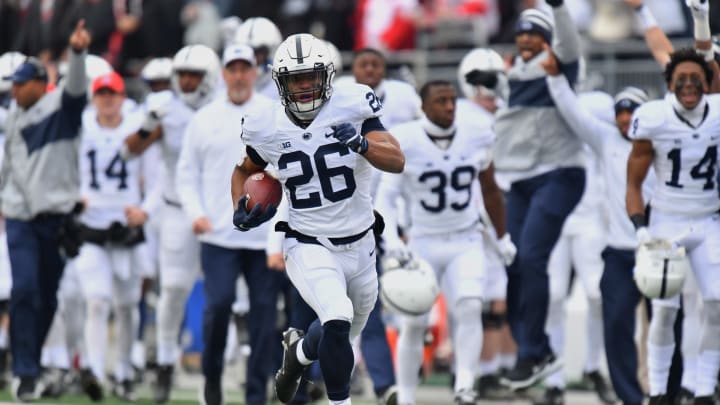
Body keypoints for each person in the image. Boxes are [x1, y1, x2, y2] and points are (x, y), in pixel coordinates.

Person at [233, 33, 404, 405]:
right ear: (281, 82)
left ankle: (298, 354)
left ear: (326, 75)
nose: (305, 85)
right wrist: (240, 207)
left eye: (310, 76)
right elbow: (243, 171)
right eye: (295, 79)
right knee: (337, 316)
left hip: (361, 244)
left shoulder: (352, 103)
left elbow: (397, 159)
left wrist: (362, 144)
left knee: (343, 329)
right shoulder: (266, 123)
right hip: (306, 241)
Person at [375, 79, 515, 405]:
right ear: (423, 106)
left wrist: (502, 235)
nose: (450, 107)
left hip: (465, 238)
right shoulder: (406, 139)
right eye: (440, 101)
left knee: (469, 306)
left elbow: (490, 189)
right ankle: (407, 396)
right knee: (414, 322)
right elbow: (385, 197)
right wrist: (393, 238)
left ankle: (465, 385)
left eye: (452, 100)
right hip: (422, 241)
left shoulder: (476, 133)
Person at [540, 44, 653, 405]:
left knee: (595, 296)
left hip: (590, 219)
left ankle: (592, 366)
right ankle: (555, 380)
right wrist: (554, 78)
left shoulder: (605, 121)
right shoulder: (555, 115)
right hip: (558, 218)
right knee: (554, 296)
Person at [175, 43, 285, 405]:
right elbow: (186, 174)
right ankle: (212, 380)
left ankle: (256, 394)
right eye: (232, 69)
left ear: (255, 72)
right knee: (218, 307)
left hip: (262, 236)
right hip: (219, 234)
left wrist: (276, 238)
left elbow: (284, 175)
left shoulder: (272, 113)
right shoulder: (204, 118)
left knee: (264, 317)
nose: (239, 76)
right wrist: (196, 214)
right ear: (223, 74)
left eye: (245, 68)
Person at [492, 0, 584, 389]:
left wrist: (559, 9)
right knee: (512, 261)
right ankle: (536, 348)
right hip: (522, 179)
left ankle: (531, 351)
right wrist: (491, 81)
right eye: (522, 31)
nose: (527, 37)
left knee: (531, 257)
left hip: (559, 174)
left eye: (535, 32)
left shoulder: (557, 62)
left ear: (547, 39)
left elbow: (569, 43)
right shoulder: (516, 72)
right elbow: (516, 114)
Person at [121, 44, 221, 404]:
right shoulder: (166, 108)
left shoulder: (224, 107)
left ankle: (221, 367)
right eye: (183, 75)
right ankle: (165, 363)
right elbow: (128, 150)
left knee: (226, 295)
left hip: (219, 212)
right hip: (178, 209)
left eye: (194, 74)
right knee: (175, 289)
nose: (187, 81)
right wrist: (149, 124)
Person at [0, 20, 90, 402]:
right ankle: (23, 371)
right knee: (24, 289)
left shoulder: (60, 109)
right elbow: (9, 167)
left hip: (56, 219)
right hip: (21, 216)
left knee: (48, 297)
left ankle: (29, 363)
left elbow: (75, 90)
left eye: (21, 84)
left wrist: (78, 54)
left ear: (40, 82)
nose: (15, 90)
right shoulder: (15, 115)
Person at [626, 47, 720, 405]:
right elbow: (633, 183)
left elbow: (710, 63)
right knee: (664, 309)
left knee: (715, 303)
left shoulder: (716, 113)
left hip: (708, 218)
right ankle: (660, 391)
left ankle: (705, 390)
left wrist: (703, 31)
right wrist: (641, 229)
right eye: (681, 79)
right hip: (668, 219)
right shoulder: (653, 117)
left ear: (708, 83)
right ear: (669, 84)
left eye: (697, 78)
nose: (689, 85)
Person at [74, 71, 150, 401]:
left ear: (122, 97)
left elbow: (156, 176)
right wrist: (72, 198)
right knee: (96, 301)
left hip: (126, 228)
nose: (106, 99)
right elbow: (65, 167)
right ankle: (92, 369)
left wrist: (144, 209)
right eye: (101, 93)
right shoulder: (80, 126)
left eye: (112, 93)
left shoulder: (137, 128)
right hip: (90, 227)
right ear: (94, 97)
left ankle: (122, 373)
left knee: (128, 305)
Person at [455, 47, 518, 400]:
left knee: (498, 297)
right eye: (485, 81)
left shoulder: (501, 114)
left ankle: (497, 369)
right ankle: (471, 372)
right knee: (472, 299)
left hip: (499, 208)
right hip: (468, 215)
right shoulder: (463, 116)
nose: (491, 89)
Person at [233, 17, 284, 99]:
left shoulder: (284, 88)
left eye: (257, 52)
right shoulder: (228, 87)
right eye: (246, 52)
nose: (251, 58)